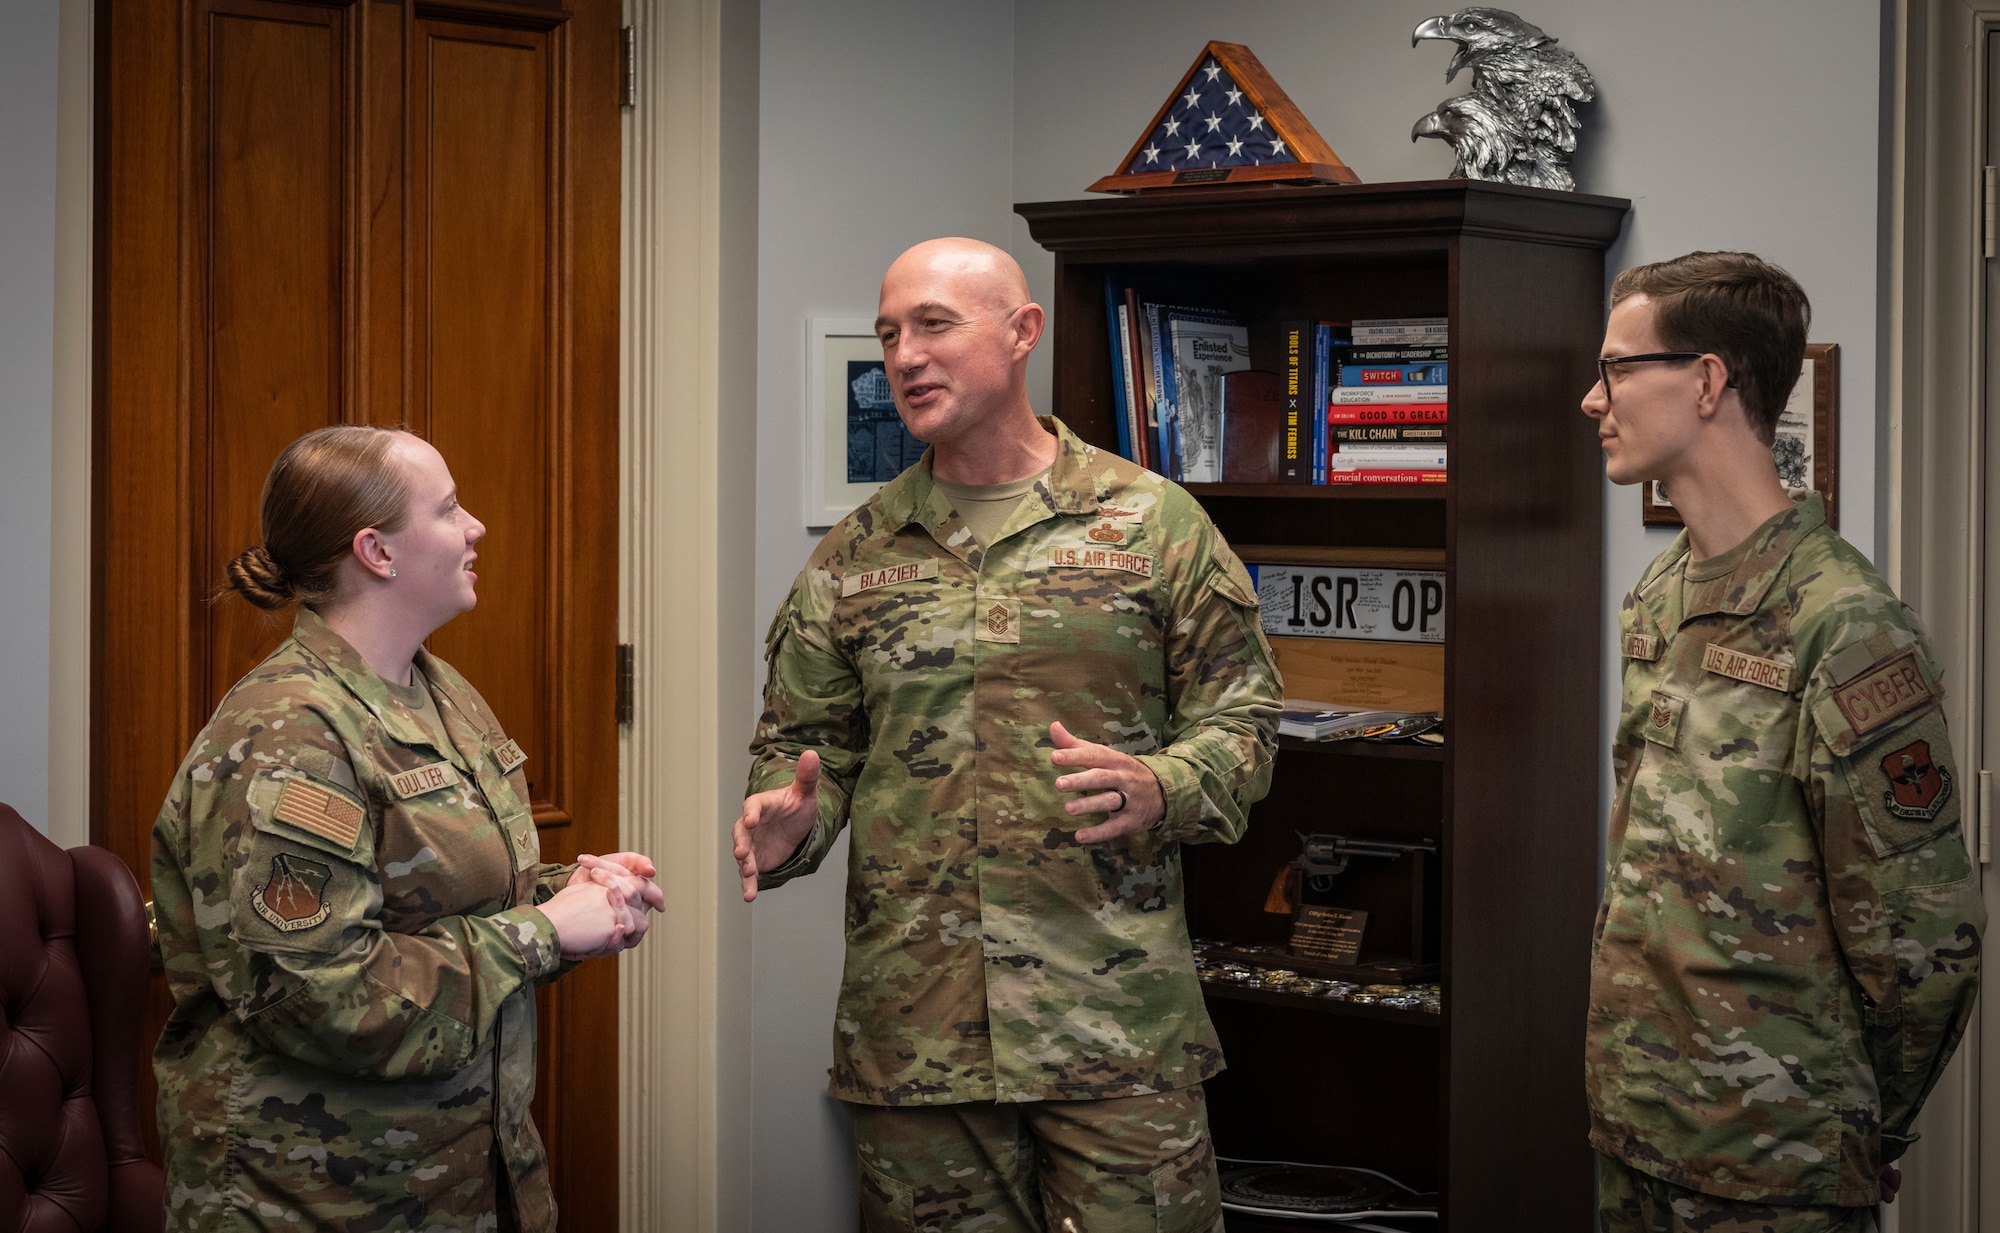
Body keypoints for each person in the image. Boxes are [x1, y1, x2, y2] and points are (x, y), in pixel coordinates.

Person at [731, 237, 1281, 1233]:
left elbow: (1243, 727)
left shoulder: (1151, 525)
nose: (903, 355)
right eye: (890, 333)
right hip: (918, 1042)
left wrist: (1165, 784)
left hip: (1112, 1027)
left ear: (1021, 331)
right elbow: (804, 747)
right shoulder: (856, 555)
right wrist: (786, 820)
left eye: (934, 325)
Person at [151, 425, 664, 1232]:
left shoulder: (440, 688)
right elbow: (317, 994)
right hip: (316, 1197)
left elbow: (442, 898)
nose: (476, 527)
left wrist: (577, 895)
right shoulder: (286, 733)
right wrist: (540, 934)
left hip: (459, 1180)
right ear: (378, 553)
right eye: (450, 508)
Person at [1581, 252, 1985, 1232]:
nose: (1591, 399)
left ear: (1707, 380)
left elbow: (1924, 942)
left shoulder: (1841, 623)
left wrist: (1856, 1129)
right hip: (1634, 1125)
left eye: (1616, 370)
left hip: (1774, 1161)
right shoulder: (1660, 596)